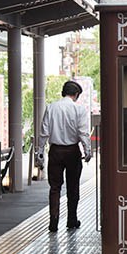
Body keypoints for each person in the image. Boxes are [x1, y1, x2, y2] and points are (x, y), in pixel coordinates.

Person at [39, 81, 91, 233]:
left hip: (55, 151)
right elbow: (83, 132)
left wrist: (40, 152)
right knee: (73, 186)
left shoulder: (51, 107)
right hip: (72, 151)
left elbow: (44, 132)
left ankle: (53, 222)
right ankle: (71, 219)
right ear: (76, 95)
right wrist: (87, 151)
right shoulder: (79, 109)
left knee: (54, 188)